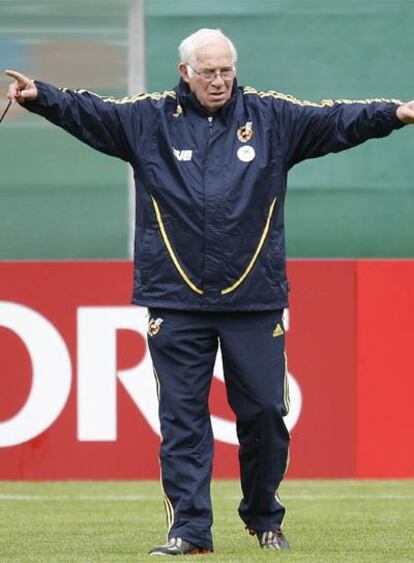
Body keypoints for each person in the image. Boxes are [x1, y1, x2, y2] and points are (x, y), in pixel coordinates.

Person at [5, 27, 414, 556]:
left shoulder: (273, 118)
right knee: (182, 422)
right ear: (185, 73)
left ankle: (263, 516)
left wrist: (396, 113)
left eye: (226, 70)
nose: (219, 81)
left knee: (266, 412)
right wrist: (42, 97)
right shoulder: (147, 119)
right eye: (208, 71)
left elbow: (336, 119)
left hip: (255, 298)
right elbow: (92, 112)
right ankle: (189, 533)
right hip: (174, 299)